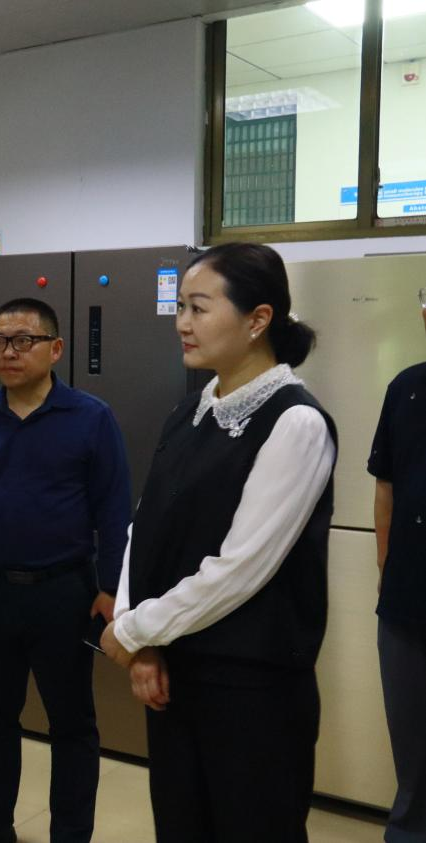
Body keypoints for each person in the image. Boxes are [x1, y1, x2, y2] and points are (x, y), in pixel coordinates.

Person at [101, 242, 336, 843]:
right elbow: (143, 529)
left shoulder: (295, 421)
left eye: (199, 308)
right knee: (181, 824)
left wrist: (135, 630)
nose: (183, 323)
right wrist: (138, 633)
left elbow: (240, 568)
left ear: (258, 319)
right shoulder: (189, 412)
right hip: (173, 675)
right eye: (181, 307)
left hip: (252, 691)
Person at [0, 297, 131, 843]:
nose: (9, 352)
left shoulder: (90, 417)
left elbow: (115, 510)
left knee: (71, 723)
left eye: (24, 340)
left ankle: (70, 833)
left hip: (64, 593)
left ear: (55, 348)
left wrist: (111, 588)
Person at [370, 288, 426, 843]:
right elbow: (385, 488)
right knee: (413, 757)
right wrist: (385, 569)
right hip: (406, 605)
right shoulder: (405, 388)